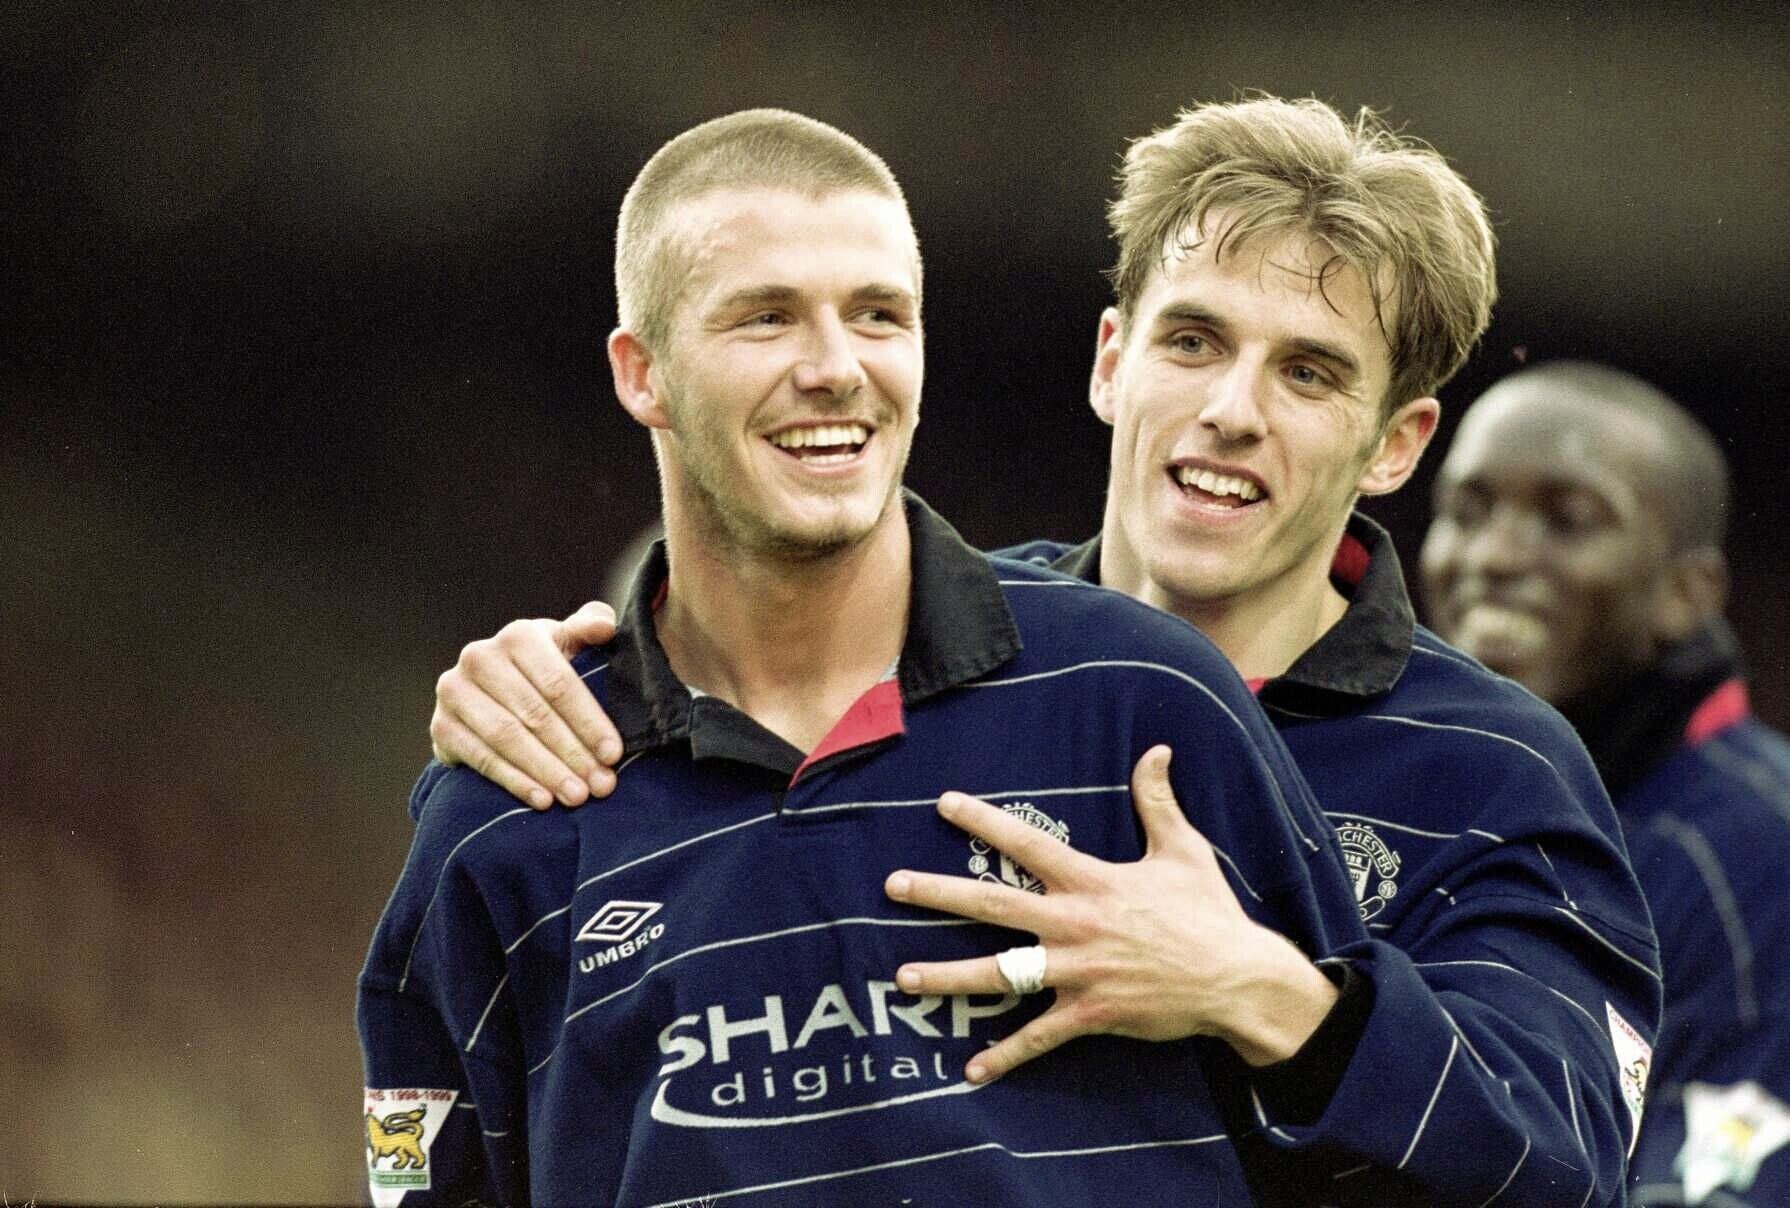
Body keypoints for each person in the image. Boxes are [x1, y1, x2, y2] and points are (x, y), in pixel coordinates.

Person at [420, 98, 1662, 1204]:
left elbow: (1563, 1162)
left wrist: (1261, 991)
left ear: (1393, 443)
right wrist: (534, 683)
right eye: (1192, 341)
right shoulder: (902, 657)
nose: (1231, 409)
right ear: (1111, 361)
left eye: (1307, 373)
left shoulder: (1489, 767)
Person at [1421, 360, 1790, 1207]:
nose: (1495, 556)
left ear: (1686, 594)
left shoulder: (1760, 862)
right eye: (1467, 512)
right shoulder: (1421, 797)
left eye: (1569, 520)